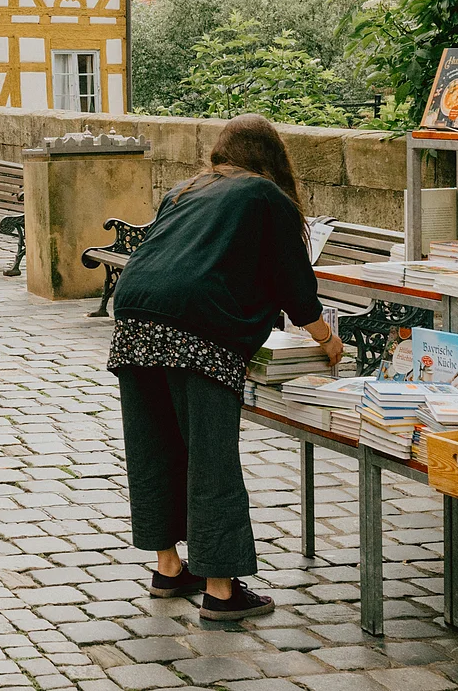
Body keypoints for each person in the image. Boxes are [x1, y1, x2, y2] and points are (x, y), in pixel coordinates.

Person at [107, 114, 344, 621]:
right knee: (211, 456)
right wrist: (327, 340)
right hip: (199, 326)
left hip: (134, 315)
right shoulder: (264, 197)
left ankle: (169, 569)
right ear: (273, 157)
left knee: (154, 447)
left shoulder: (184, 189)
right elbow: (295, 287)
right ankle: (220, 590)